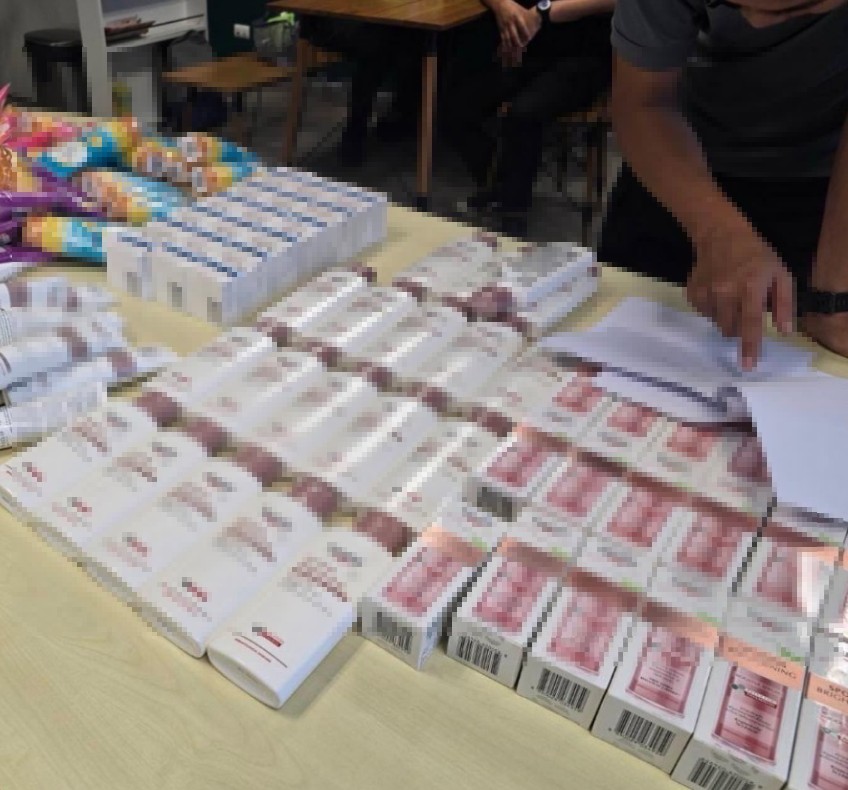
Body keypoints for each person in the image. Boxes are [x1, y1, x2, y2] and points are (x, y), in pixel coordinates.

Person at [598, 0, 848, 368]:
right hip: (675, 165)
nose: (752, 22)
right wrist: (716, 229)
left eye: (788, 9)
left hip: (824, 193)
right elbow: (643, 102)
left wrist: (833, 297)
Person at [443, 0, 615, 237]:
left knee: (524, 113)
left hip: (584, 52)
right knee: (455, 104)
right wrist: (503, 8)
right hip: (529, 44)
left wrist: (543, 12)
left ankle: (513, 213)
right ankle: (502, 181)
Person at [299, 18, 421, 165]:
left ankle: (402, 117)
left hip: (379, 25)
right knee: (383, 41)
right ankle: (360, 129)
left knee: (411, 38)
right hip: (335, 21)